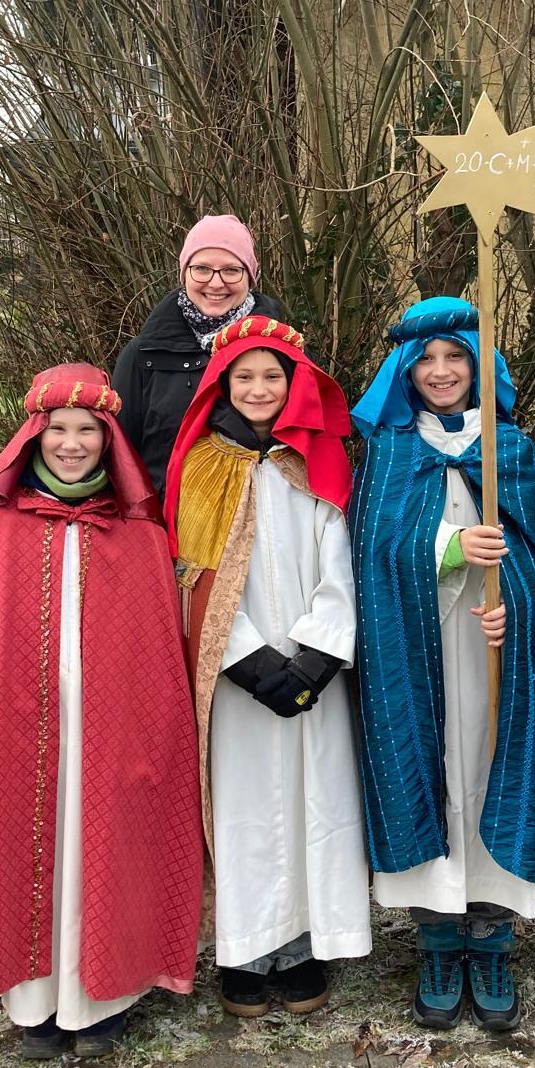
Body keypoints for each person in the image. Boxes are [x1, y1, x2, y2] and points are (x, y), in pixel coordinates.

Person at [0, 365, 204, 1059]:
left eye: (88, 430)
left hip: (109, 737)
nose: (72, 443)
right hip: (19, 732)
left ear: (108, 440)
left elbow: (159, 657)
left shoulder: (140, 535)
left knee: (105, 842)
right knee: (25, 843)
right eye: (58, 429)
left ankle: (101, 997)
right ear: (35, 436)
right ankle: (34, 1002)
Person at [350, 298, 535, 1032]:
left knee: (488, 771)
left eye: (456, 357)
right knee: (430, 772)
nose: (441, 371)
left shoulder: (511, 451)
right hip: (415, 653)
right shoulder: (388, 454)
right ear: (404, 370)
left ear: (480, 367)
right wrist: (448, 550)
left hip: (493, 655)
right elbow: (371, 560)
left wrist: (521, 609)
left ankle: (492, 938)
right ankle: (439, 941)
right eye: (426, 359)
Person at [165, 316, 371, 1016]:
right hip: (237, 678)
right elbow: (195, 576)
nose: (258, 388)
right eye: (244, 376)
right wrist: (250, 662)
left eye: (272, 376)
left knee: (319, 799)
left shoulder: (316, 460)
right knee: (246, 804)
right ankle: (248, 947)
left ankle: (307, 941)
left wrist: (316, 656)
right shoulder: (201, 465)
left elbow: (343, 557)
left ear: (293, 384)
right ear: (222, 384)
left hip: (316, 674)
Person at [113, 214, 281, 493]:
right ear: (184, 273)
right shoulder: (142, 355)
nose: (215, 283)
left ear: (250, 277)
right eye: (202, 269)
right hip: (166, 516)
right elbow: (121, 458)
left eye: (231, 270)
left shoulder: (282, 351)